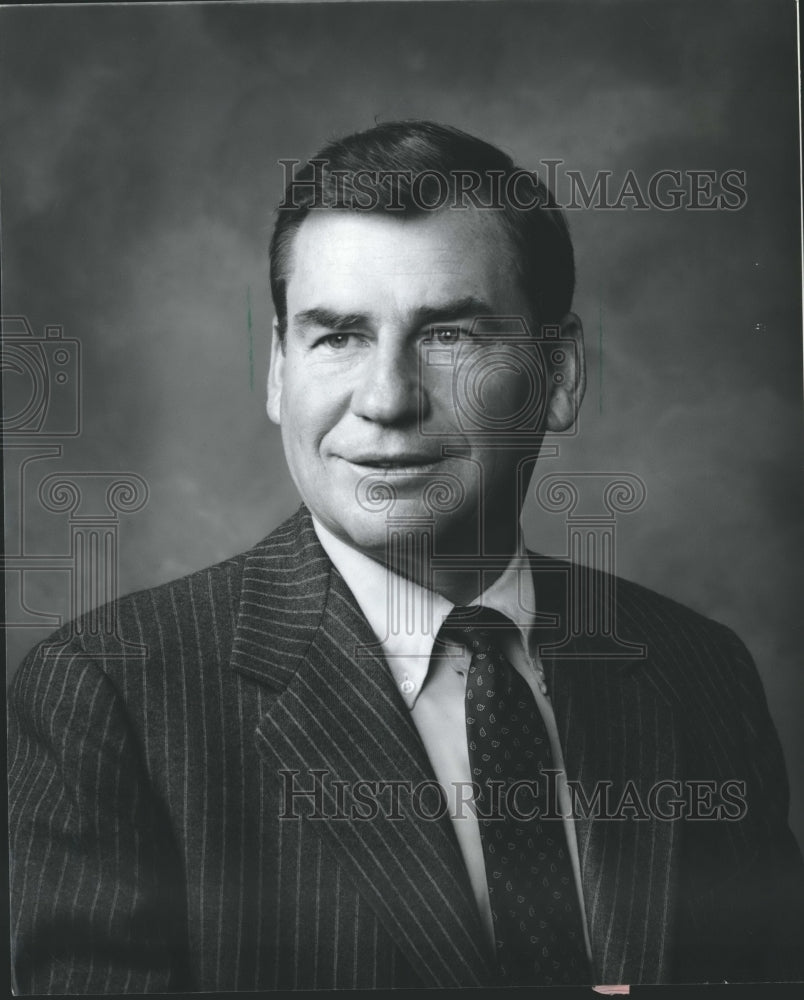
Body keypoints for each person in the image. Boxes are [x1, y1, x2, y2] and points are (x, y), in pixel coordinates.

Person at [8, 120, 803, 993]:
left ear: (560, 371)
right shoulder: (111, 696)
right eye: (338, 336)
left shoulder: (698, 671)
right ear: (279, 369)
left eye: (450, 335)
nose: (387, 399)